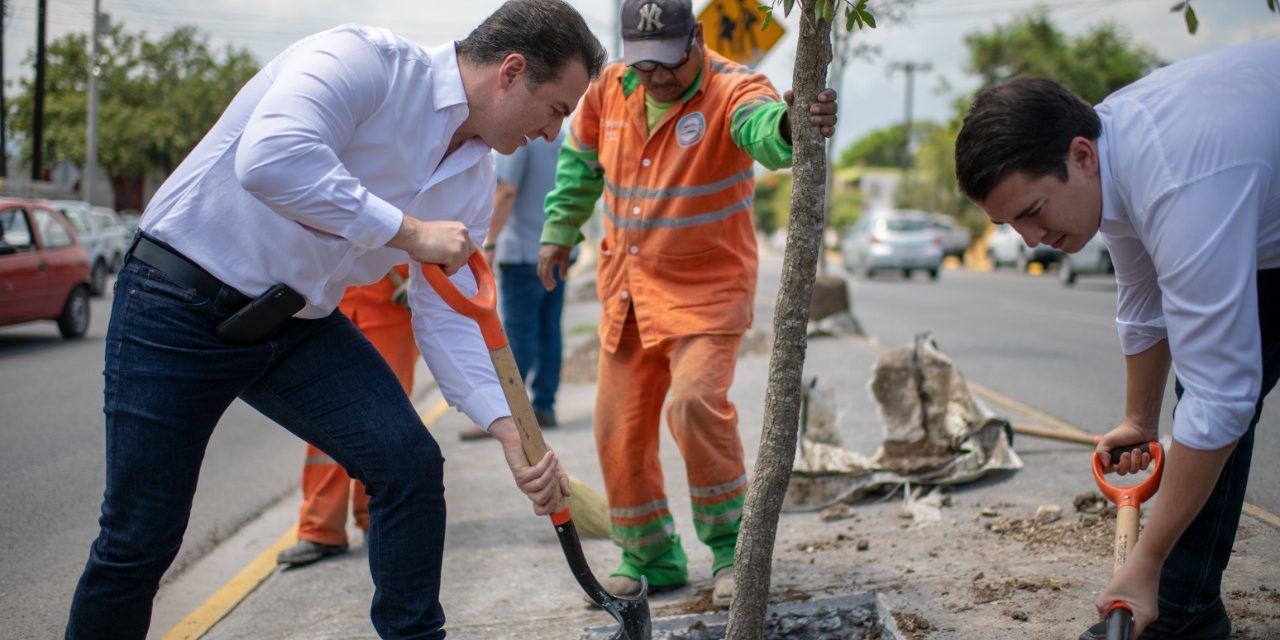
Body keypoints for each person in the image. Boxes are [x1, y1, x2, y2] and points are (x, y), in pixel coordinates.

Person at [64, 2, 607, 638]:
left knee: (408, 464)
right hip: (176, 301)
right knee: (140, 539)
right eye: (556, 110)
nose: (552, 134)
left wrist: (506, 428)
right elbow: (270, 158)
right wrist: (407, 232)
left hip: (295, 323)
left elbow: (452, 313)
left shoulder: (473, 176)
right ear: (511, 71)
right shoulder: (362, 61)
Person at [953, 40, 1279, 640]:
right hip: (1264, 224)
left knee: (1215, 399)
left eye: (1033, 210)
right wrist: (1137, 418)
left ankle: (1170, 594)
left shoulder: (1179, 181)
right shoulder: (1112, 154)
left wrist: (1142, 563)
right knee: (1207, 402)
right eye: (1009, 225)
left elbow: (1222, 399)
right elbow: (1141, 298)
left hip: (1233, 192)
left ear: (1080, 156)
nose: (1029, 240)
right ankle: (1184, 613)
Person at [536, 0, 838, 607]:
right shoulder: (609, 89)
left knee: (695, 405)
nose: (658, 79)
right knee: (617, 429)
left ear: (695, 38)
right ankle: (649, 556)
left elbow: (766, 133)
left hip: (706, 294)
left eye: (669, 64)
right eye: (644, 67)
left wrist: (792, 125)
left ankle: (732, 551)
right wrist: (559, 229)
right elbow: (579, 162)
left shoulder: (733, 88)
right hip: (628, 292)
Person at [276, 269, 418, 568]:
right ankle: (320, 529)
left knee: (384, 425)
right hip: (326, 310)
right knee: (323, 424)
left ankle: (375, 520)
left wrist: (422, 281)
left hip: (388, 306)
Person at [465, 131, 570, 441]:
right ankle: (544, 405)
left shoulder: (520, 137)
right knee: (549, 329)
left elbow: (507, 190)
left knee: (517, 332)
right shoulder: (560, 136)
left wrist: (489, 241)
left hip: (523, 249)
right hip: (555, 247)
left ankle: (510, 414)